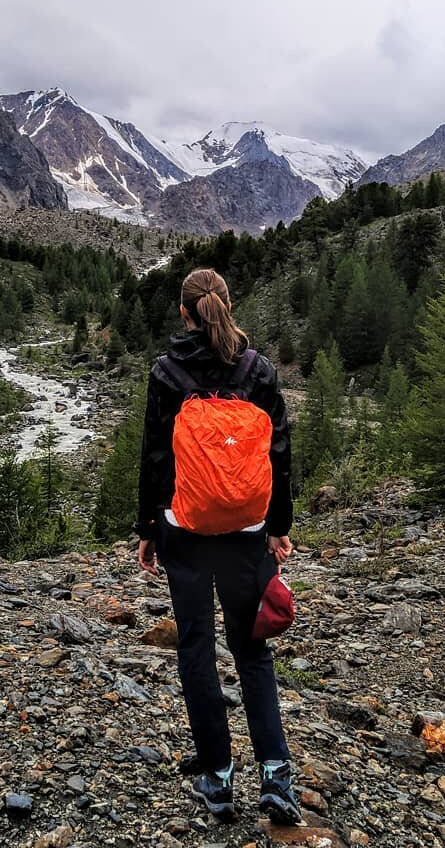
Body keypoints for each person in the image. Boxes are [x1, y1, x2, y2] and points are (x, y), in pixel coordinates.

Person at [136, 267, 300, 824]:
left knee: (197, 648)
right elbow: (279, 454)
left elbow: (155, 456)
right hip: (247, 530)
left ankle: (218, 777)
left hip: (184, 526)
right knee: (252, 649)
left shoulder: (167, 371)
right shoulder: (258, 370)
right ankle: (276, 776)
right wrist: (278, 526)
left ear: (185, 313)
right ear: (228, 305)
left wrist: (148, 529)